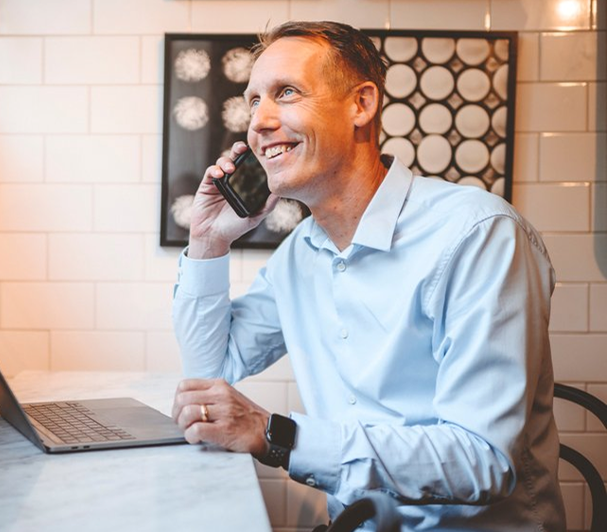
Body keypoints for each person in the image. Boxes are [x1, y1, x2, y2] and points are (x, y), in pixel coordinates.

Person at [170, 20, 566, 530]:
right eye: (252, 101)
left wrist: (277, 435)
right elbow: (211, 371)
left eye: (285, 93)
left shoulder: (479, 234)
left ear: (361, 105)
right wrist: (208, 241)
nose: (259, 121)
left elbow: (484, 459)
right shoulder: (299, 255)